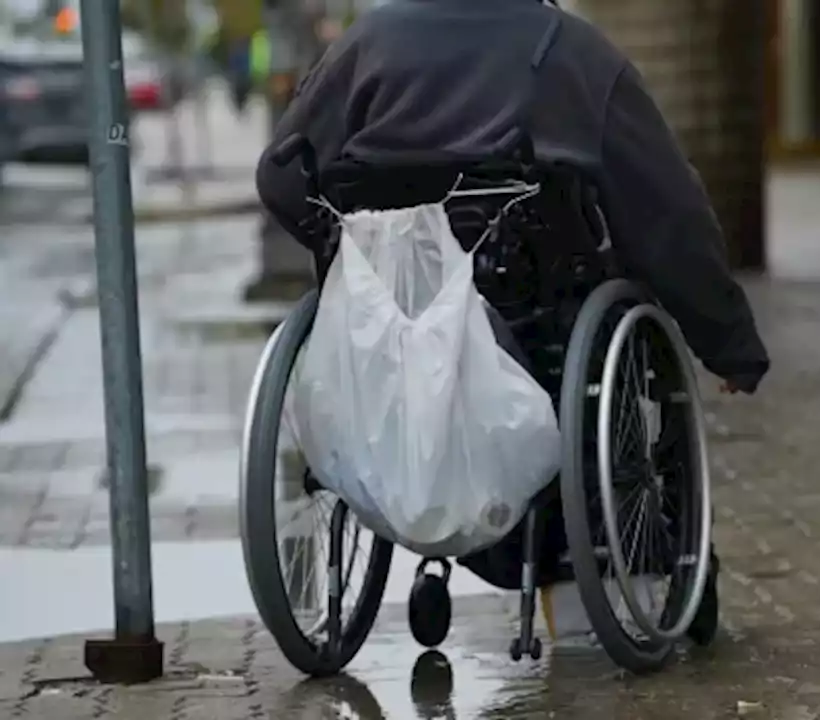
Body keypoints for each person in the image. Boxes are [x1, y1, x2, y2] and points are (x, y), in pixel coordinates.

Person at [255, 0, 769, 641]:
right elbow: (668, 217)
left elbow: (280, 176)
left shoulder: (367, 45)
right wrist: (729, 346)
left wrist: (347, 255)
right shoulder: (573, 54)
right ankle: (604, 583)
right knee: (599, 299)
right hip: (533, 309)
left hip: (394, 307)